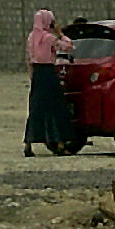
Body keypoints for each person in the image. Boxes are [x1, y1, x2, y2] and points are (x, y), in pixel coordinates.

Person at [21, 8, 74, 156]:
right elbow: (69, 47)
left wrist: (32, 77)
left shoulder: (32, 37)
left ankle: (28, 145)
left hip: (37, 75)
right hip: (49, 74)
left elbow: (29, 59)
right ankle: (61, 144)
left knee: (35, 109)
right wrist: (60, 33)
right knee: (56, 108)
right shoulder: (49, 38)